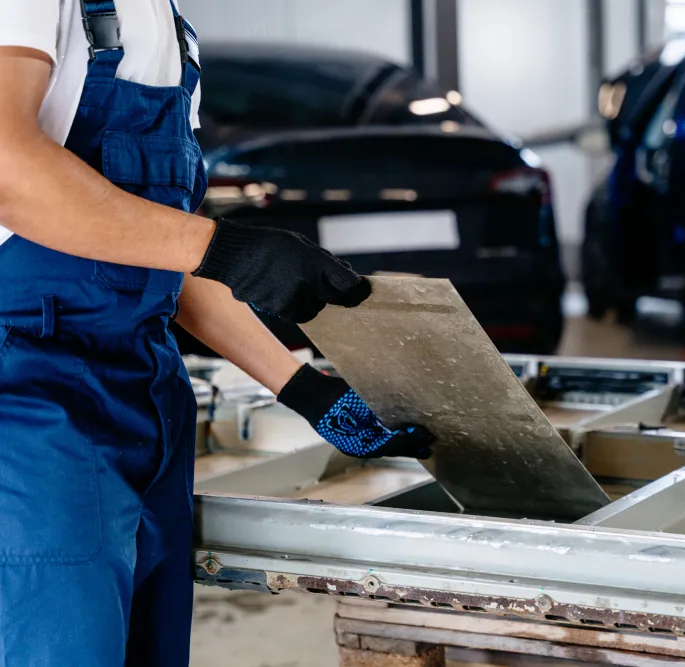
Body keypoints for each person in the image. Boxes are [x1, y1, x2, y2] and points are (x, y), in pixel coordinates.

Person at [0, 2, 434, 665]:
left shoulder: (169, 27)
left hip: (146, 400)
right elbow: (8, 168)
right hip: (31, 403)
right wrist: (226, 249)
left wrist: (310, 393)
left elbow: (155, 244)